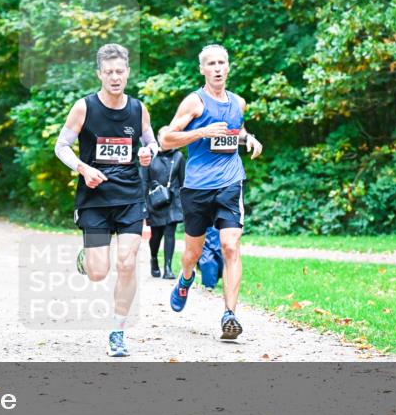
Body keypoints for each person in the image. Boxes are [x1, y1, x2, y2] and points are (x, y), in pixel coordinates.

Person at [53, 43, 158, 357]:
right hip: (94, 198)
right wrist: (83, 168)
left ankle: (118, 330)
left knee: (127, 262)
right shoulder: (84, 107)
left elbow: (152, 142)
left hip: (129, 197)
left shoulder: (138, 109)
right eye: (109, 72)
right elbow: (61, 146)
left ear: (127, 72)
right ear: (99, 74)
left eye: (119, 71)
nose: (115, 77)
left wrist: (148, 152)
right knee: (99, 272)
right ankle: (89, 255)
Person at [160, 44, 263, 339]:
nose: (217, 68)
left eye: (221, 63)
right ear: (202, 69)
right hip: (197, 186)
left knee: (230, 245)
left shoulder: (238, 103)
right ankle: (186, 278)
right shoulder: (194, 103)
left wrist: (249, 139)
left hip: (230, 182)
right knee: (192, 253)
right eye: (211, 64)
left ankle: (230, 315)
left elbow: (235, 130)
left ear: (228, 67)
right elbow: (166, 139)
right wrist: (201, 132)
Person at [143, 126, 185, 279]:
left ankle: (168, 268)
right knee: (156, 235)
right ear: (158, 138)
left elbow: (183, 181)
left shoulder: (179, 156)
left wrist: (185, 202)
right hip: (155, 201)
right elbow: (144, 181)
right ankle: (153, 259)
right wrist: (143, 204)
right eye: (165, 137)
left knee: (170, 233)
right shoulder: (149, 156)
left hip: (173, 201)